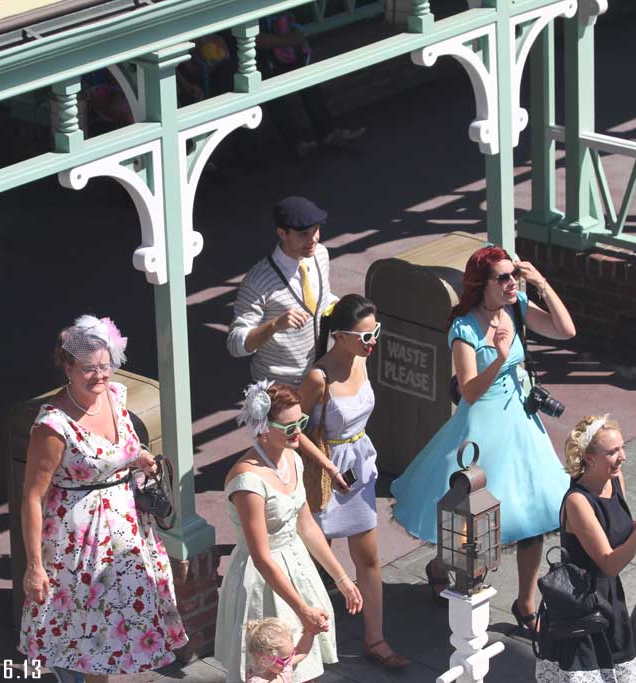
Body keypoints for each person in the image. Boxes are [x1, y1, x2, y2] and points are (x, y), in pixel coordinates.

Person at [390, 245, 576, 630]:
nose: (512, 283)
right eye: (503, 278)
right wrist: (499, 356)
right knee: (468, 522)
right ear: (481, 284)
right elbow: (470, 392)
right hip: (482, 431)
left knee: (535, 515)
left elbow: (565, 330)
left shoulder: (518, 305)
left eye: (514, 275)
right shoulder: (464, 329)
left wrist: (540, 284)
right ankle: (440, 566)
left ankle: (525, 604)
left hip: (521, 427)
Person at [19, 316, 187, 683]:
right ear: (67, 367)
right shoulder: (53, 426)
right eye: (87, 369)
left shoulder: (115, 396)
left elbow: (120, 449)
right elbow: (32, 497)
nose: (99, 376)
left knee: (114, 642)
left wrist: (138, 456)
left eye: (104, 366)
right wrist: (34, 566)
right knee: (91, 644)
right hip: (78, 547)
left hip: (127, 534)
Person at [215, 381, 362, 683]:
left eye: (301, 422)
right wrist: (301, 608)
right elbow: (261, 557)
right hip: (263, 581)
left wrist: (341, 577)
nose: (297, 432)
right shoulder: (248, 481)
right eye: (288, 426)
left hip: (297, 564)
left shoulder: (292, 457)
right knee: (269, 671)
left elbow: (306, 525)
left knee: (301, 668)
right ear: (263, 426)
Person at [297, 294, 406, 669]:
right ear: (339, 336)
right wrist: (328, 466)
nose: (372, 341)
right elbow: (293, 431)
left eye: (375, 332)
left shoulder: (361, 361)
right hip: (327, 471)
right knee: (313, 562)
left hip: (359, 465)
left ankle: (375, 639)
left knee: (369, 558)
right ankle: (304, 642)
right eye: (364, 336)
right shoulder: (317, 377)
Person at [535, 415, 636, 683]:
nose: (622, 457)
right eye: (612, 452)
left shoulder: (615, 480)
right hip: (582, 605)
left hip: (611, 601)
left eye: (622, 448)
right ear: (588, 457)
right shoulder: (578, 502)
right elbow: (609, 562)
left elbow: (616, 532)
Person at [227, 196, 337, 387]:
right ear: (282, 233)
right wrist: (275, 325)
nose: (314, 239)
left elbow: (322, 299)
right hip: (279, 390)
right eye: (303, 233)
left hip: (319, 378)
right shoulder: (257, 281)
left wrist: (346, 308)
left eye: (317, 229)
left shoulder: (320, 254)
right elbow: (235, 344)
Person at [256, 13, 365, 158]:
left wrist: (292, 36)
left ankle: (328, 133)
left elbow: (294, 25)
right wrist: (286, 40)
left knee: (308, 79)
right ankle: (296, 144)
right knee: (273, 93)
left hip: (284, 46)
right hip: (259, 57)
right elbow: (256, 41)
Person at [243, 618, 317, 683]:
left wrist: (310, 631)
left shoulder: (283, 667)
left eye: (291, 655)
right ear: (264, 660)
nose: (289, 660)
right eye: (285, 658)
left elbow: (301, 651)